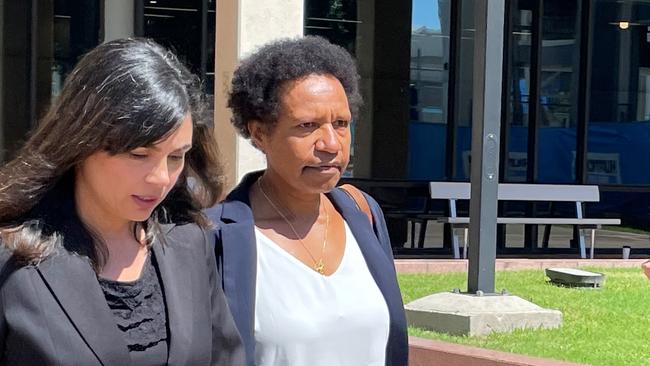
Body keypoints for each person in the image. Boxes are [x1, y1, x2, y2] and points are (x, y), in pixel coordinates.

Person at [0, 38, 244, 366]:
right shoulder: (12, 256)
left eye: (176, 157)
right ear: (80, 143)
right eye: (139, 155)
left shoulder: (188, 240)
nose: (161, 178)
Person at [205, 36, 408, 366]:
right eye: (307, 126)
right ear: (259, 134)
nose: (331, 143)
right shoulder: (218, 236)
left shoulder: (362, 215)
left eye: (341, 124)